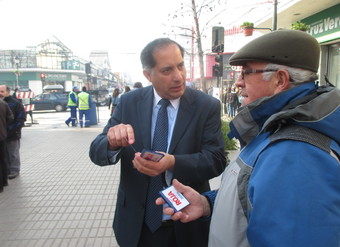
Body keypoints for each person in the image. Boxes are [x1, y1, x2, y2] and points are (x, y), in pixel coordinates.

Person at [156, 30, 340, 247]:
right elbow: (258, 200)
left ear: (280, 80)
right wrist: (208, 203)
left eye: (246, 73)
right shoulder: (276, 128)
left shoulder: (296, 154)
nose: (239, 82)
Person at [89, 38, 226, 247]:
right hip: (136, 225)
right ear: (148, 75)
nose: (178, 76)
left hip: (185, 223)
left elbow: (216, 160)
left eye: (181, 66)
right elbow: (96, 153)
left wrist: (172, 162)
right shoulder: (129, 102)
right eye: (166, 70)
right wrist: (111, 142)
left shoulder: (206, 106)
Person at [0, 85, 26, 179]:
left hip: (12, 133)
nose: (0, 93)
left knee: (13, 153)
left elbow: (21, 118)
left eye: (2, 91)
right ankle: (6, 170)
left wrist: (14, 129)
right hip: (2, 134)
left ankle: (14, 170)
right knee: (4, 153)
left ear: (8, 92)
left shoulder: (15, 103)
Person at [0, 98, 13, 192]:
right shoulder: (3, 103)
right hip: (2, 135)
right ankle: (4, 181)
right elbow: (10, 117)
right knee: (3, 159)